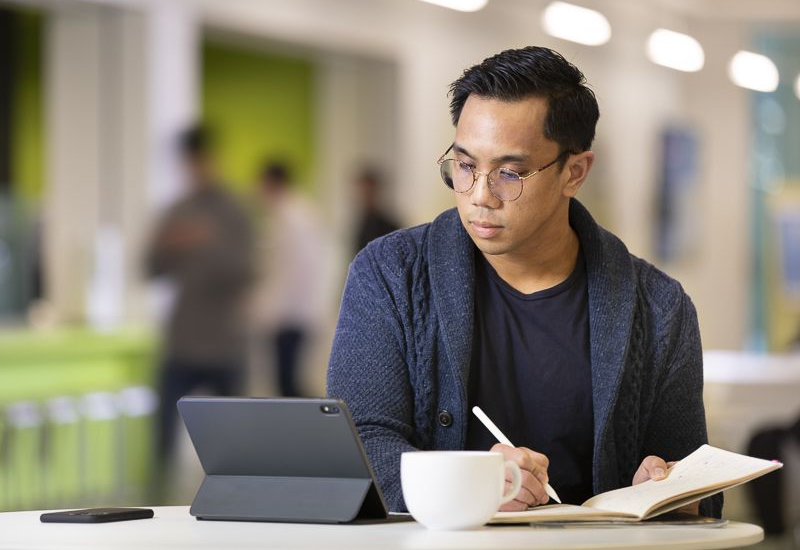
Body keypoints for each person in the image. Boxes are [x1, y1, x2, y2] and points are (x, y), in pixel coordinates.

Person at [327, 46, 722, 517]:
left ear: (574, 172)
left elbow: (695, 481)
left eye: (509, 173)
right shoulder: (390, 273)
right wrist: (472, 485)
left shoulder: (659, 308)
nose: (479, 196)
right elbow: (358, 442)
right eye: (465, 165)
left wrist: (668, 488)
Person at [146, 125, 254, 470]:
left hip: (225, 338)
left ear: (211, 159)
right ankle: (158, 500)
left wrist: (206, 243)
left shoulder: (234, 210)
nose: (193, 168)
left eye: (198, 160)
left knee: (235, 442)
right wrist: (170, 245)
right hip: (182, 338)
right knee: (162, 438)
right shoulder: (176, 210)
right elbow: (148, 268)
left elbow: (246, 270)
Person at [251, 161, 326, 397]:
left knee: (289, 384)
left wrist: (271, 310)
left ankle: (315, 432)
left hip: (293, 315)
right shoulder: (292, 214)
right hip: (292, 312)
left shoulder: (293, 217)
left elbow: (294, 271)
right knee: (287, 383)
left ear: (272, 182)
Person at [353, 167, 400, 254]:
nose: (364, 197)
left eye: (368, 192)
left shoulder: (389, 227)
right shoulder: (359, 226)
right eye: (362, 193)